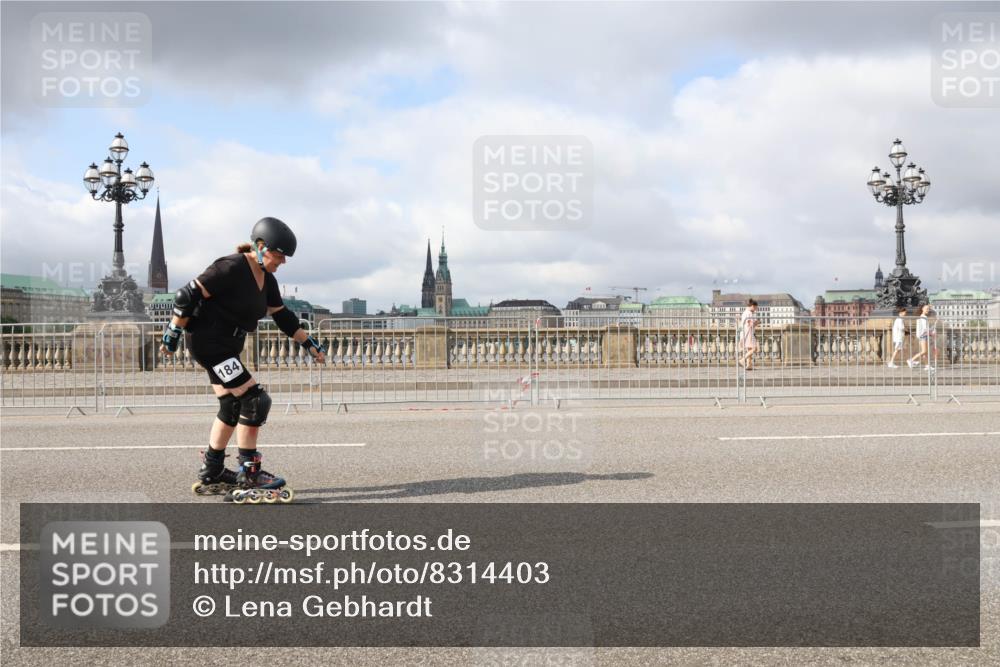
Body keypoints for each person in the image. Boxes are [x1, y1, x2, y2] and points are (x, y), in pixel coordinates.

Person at [159, 217, 326, 503]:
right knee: (255, 400)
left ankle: (212, 470)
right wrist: (173, 331)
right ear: (261, 247)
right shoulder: (231, 267)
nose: (283, 261)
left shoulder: (267, 279)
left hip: (226, 345)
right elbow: (187, 294)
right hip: (211, 343)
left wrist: (308, 343)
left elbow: (282, 316)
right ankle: (250, 472)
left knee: (232, 404)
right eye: (279, 255)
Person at [907, 303, 936, 372]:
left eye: (928, 309)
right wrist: (931, 333)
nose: (928, 310)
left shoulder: (921, 317)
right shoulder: (923, 317)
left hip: (922, 335)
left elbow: (924, 328)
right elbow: (925, 329)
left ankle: (927, 366)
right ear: (922, 309)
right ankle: (911, 360)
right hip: (923, 335)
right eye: (926, 309)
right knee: (924, 351)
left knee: (925, 352)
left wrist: (931, 330)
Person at [738, 299, 759, 371]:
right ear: (752, 306)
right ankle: (742, 360)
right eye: (756, 307)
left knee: (749, 348)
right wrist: (757, 322)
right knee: (754, 348)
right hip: (749, 332)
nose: (756, 309)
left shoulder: (745, 312)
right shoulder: (749, 313)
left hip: (744, 332)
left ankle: (749, 365)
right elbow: (751, 324)